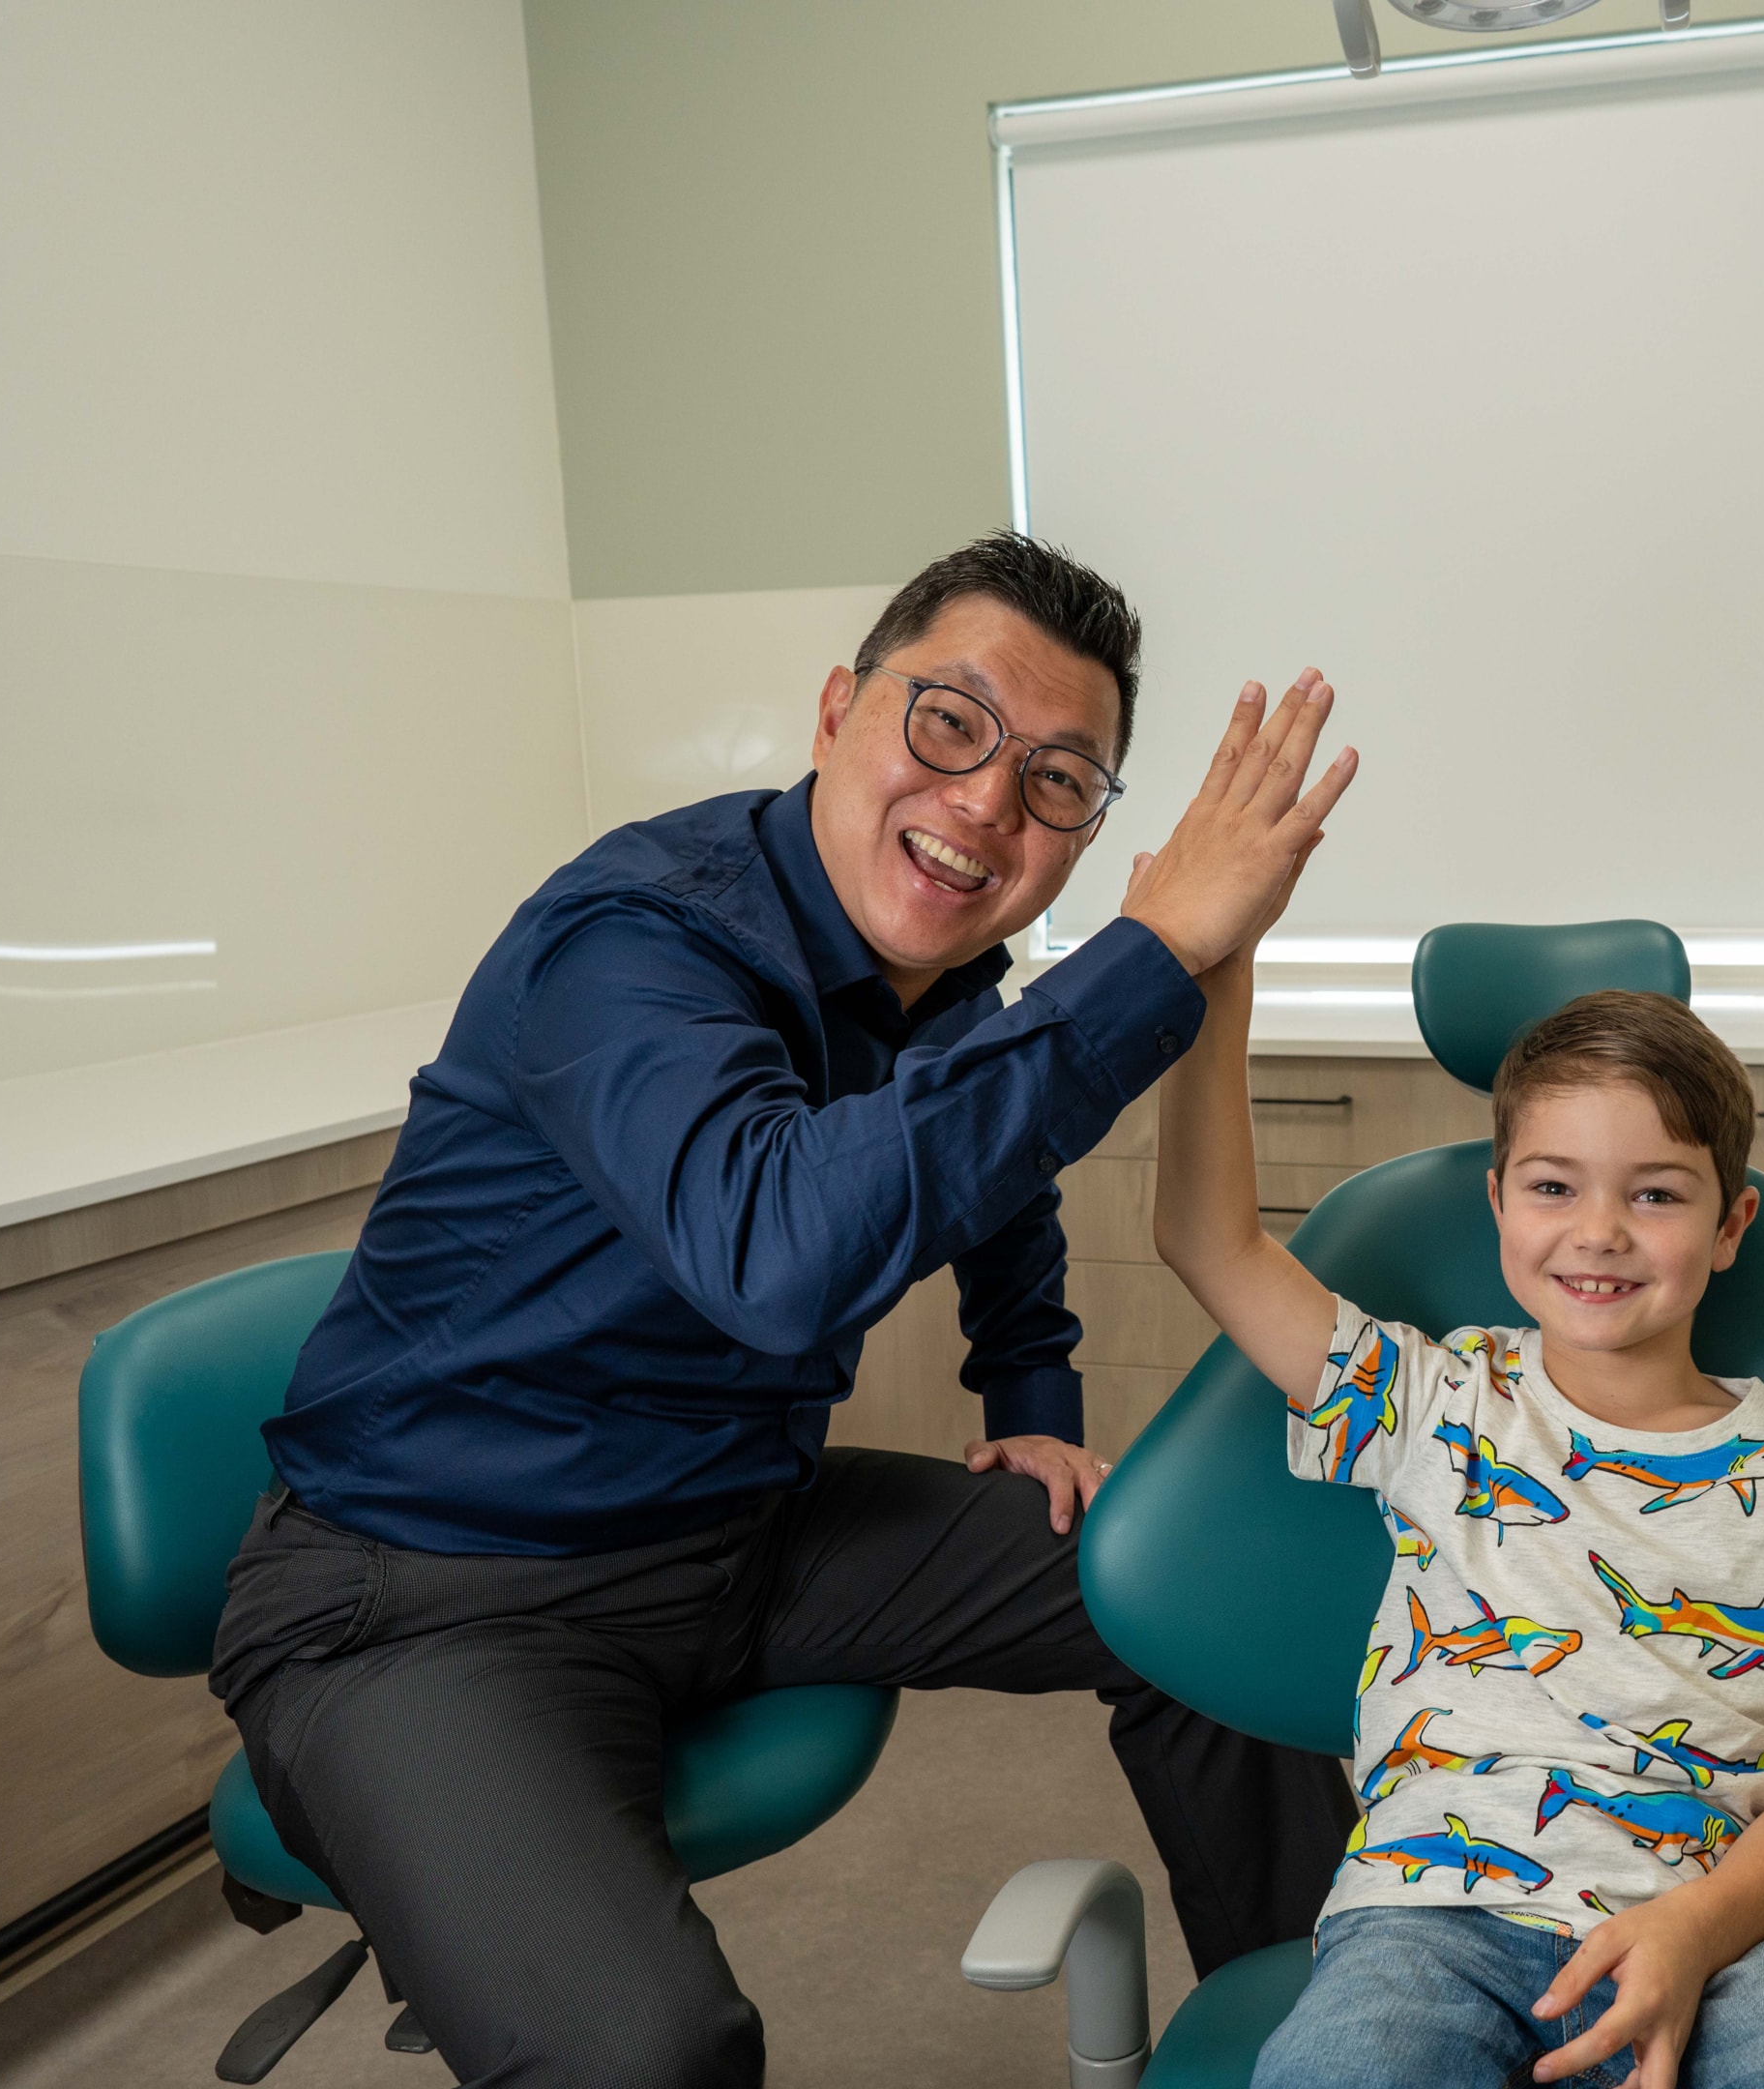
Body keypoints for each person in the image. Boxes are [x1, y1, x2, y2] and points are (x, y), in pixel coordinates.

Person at [208, 533, 1362, 2087]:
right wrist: (1156, 953)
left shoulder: (940, 977)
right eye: (948, 726)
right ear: (835, 711)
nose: (982, 807)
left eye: (1058, 784)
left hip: (743, 1532)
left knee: (1212, 1607)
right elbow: (773, 1249)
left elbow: (990, 1174)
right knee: (646, 2054)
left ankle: (1329, 2037)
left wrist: (1033, 1405)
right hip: (431, 1588)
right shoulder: (632, 940)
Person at [1152, 964, 1764, 2089]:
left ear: (1732, 1224)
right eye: (1554, 1187)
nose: (1601, 1233)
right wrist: (1215, 983)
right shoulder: (1433, 1400)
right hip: (1433, 1914)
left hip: (1726, 1930)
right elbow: (1206, 1239)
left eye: (1658, 1194)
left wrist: (1699, 1925)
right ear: (1498, 1203)